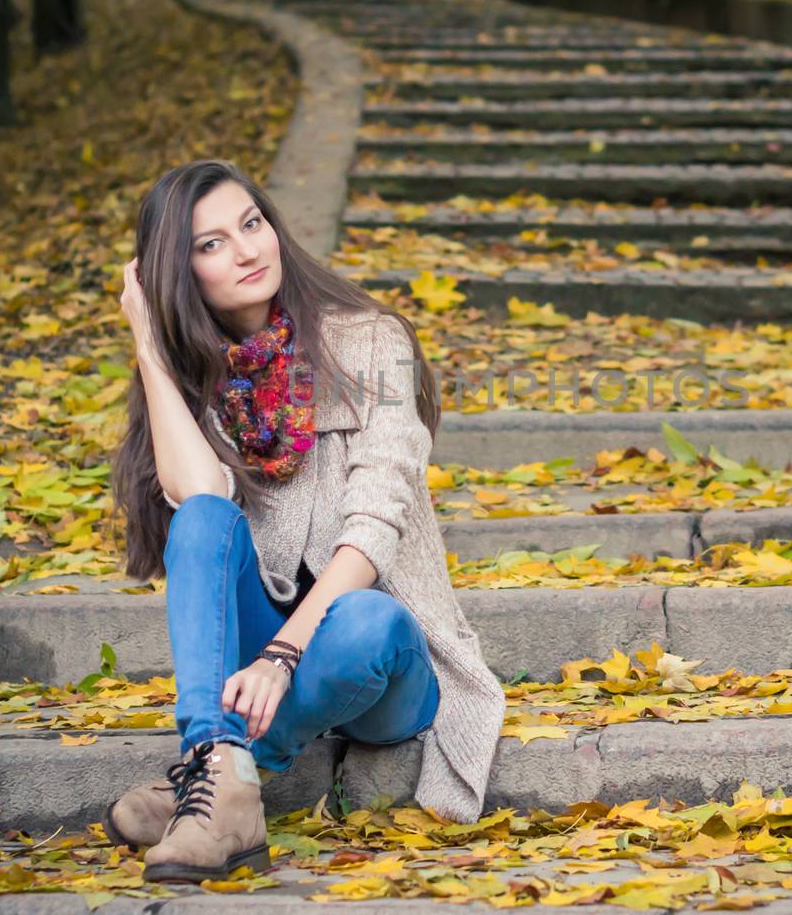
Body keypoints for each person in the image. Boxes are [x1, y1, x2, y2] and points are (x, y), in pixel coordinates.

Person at [107, 159, 504, 884]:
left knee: (366, 622)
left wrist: (282, 653)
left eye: (251, 224)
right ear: (179, 273)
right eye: (211, 243)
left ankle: (217, 774)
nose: (248, 250)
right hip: (263, 653)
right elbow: (198, 498)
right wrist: (149, 347)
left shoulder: (372, 342)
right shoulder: (201, 379)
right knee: (198, 519)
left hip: (373, 662)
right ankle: (217, 769)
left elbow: (377, 522)